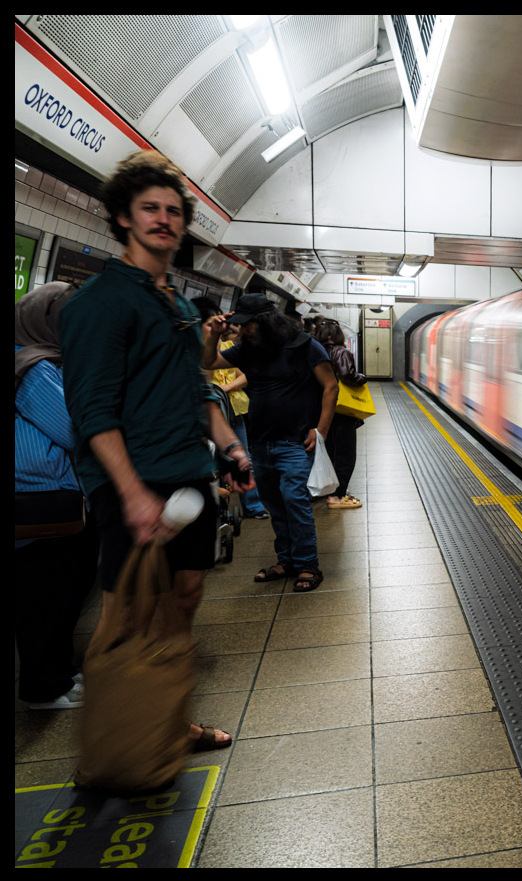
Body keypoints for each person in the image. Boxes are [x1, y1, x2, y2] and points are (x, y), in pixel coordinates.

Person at [60, 149, 254, 751]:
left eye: (173, 211)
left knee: (187, 595)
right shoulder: (98, 303)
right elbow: (92, 412)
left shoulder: (176, 307)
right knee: (127, 615)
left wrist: (227, 445)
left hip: (188, 473)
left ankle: (166, 719)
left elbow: (194, 387)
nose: (164, 220)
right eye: (150, 209)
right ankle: (117, 741)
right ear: (123, 217)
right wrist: (133, 494)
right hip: (134, 483)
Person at [202, 292, 338, 592]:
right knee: (275, 505)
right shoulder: (248, 348)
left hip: (295, 441)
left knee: (295, 502)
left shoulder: (303, 345)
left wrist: (322, 430)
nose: (240, 329)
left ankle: (307, 564)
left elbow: (330, 385)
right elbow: (208, 360)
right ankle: (287, 559)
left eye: (245, 324)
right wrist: (213, 334)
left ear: (262, 321)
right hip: (261, 442)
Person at [15, 282, 100, 711]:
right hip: (41, 495)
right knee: (45, 594)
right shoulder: (32, 367)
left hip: (64, 493)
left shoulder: (52, 363)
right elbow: (72, 429)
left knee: (67, 588)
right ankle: (41, 687)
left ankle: (58, 673)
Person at [193, 297, 268, 519]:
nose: (216, 328)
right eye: (209, 324)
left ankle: (253, 506)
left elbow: (244, 376)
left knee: (243, 458)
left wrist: (226, 387)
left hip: (233, 410)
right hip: (209, 417)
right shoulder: (192, 353)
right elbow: (204, 375)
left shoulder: (228, 348)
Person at [314, 320, 366, 509]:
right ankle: (337, 495)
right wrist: (361, 377)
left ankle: (329, 490)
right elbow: (348, 375)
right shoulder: (340, 352)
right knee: (346, 454)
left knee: (329, 450)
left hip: (320, 408)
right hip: (341, 409)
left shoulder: (315, 351)